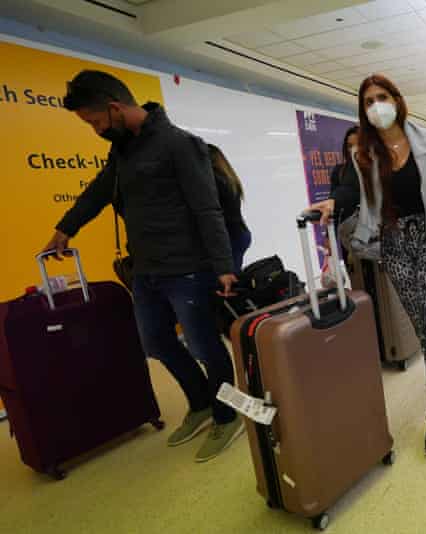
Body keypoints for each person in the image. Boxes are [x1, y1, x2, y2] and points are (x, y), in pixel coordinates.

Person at [42, 70, 243, 463]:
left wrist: (224, 266)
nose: (96, 130)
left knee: (204, 345)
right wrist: (65, 229)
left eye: (96, 122)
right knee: (157, 342)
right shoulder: (122, 151)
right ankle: (201, 401)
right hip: (147, 271)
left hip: (189, 269)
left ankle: (227, 414)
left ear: (115, 108)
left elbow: (207, 208)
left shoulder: (180, 145)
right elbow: (98, 192)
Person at [310, 74, 426, 457]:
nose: (376, 106)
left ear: (397, 101)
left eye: (381, 97)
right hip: (394, 245)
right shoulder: (364, 153)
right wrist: (334, 202)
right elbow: (350, 189)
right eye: (368, 101)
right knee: (422, 325)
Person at [207, 144, 251, 272]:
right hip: (240, 234)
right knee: (233, 276)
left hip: (231, 237)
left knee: (228, 281)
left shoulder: (214, 179)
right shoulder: (229, 178)